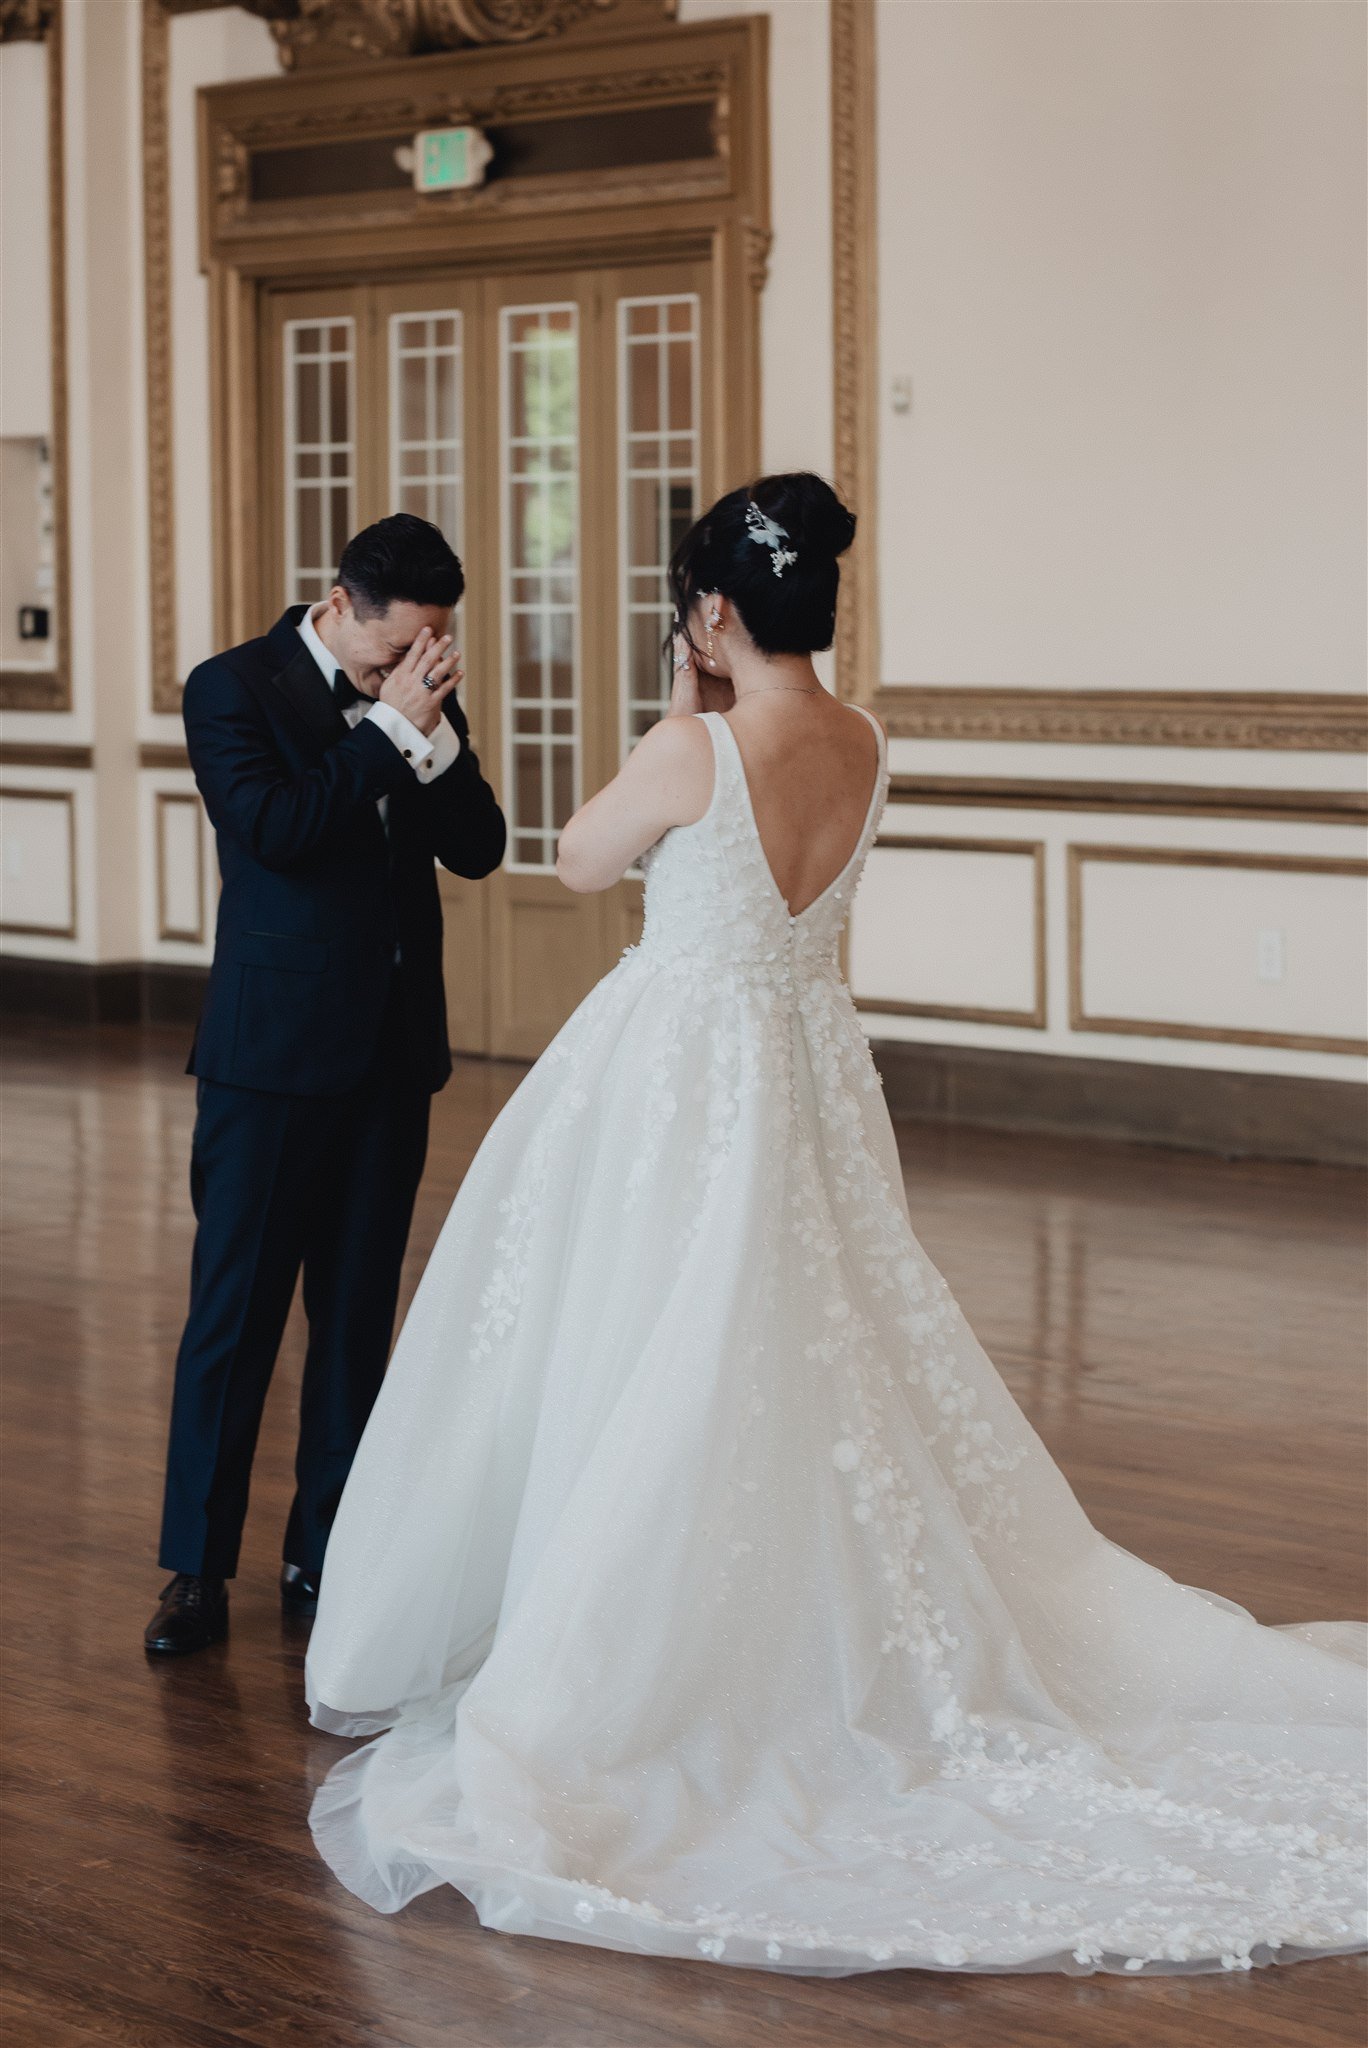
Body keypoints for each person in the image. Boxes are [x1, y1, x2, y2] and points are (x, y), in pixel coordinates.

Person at [302, 475, 1366, 1977]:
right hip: (803, 1073)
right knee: (809, 1334)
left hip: (681, 1079)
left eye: (694, 608)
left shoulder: (694, 745)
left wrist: (683, 708)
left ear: (716, 613)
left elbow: (576, 862)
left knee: (649, 1337)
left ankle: (651, 1647)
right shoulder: (865, 740)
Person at [145, 515, 506, 1656]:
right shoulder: (231, 688)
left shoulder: (420, 689)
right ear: (340, 603)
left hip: (391, 1056)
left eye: (429, 650)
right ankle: (196, 1570)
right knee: (235, 1318)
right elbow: (275, 830)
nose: (408, 669)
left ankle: (329, 1550)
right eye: (388, 652)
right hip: (269, 1059)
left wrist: (432, 736)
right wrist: (389, 729)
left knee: (355, 1322)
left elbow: (483, 846)